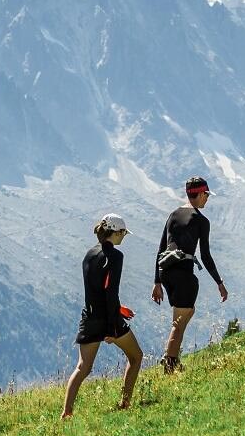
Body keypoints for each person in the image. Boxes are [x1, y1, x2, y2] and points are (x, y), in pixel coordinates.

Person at [61, 214, 144, 419]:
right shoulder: (116, 256)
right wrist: (112, 328)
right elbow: (110, 291)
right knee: (136, 357)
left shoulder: (89, 254)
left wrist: (119, 308)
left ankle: (66, 412)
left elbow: (97, 290)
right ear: (115, 232)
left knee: (82, 367)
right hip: (108, 319)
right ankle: (125, 403)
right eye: (123, 232)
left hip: (89, 316)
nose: (124, 236)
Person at [151, 176, 227, 372]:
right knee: (180, 321)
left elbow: (161, 249)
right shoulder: (201, 221)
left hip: (166, 273)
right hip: (184, 274)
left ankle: (172, 358)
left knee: (183, 314)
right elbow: (206, 256)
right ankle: (169, 363)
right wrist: (219, 281)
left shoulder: (173, 215)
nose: (207, 199)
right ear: (200, 193)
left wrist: (157, 282)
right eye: (207, 195)